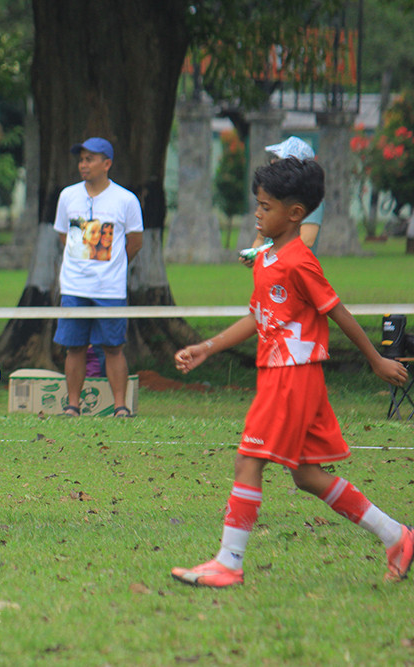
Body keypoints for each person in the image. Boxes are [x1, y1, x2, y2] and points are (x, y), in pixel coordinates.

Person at [171, 158, 413, 588]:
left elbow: (336, 311)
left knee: (248, 460)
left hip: (293, 375)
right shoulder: (266, 256)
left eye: (265, 207)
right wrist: (206, 347)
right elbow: (257, 316)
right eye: (258, 206)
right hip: (282, 374)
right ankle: (397, 536)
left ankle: (229, 562)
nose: (257, 214)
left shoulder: (299, 261)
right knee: (306, 475)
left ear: (295, 214)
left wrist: (376, 359)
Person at [52, 137, 143, 418]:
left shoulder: (126, 199)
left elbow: (135, 242)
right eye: (81, 159)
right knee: (74, 347)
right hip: (74, 286)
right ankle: (72, 406)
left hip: (110, 289)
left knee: (113, 347)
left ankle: (120, 406)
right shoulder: (68, 196)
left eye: (90, 159)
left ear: (107, 164)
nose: (83, 165)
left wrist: (112, 266)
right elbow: (63, 236)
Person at [241, 135, 323, 267]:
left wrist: (269, 254)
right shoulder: (271, 197)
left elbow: (307, 239)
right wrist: (254, 256)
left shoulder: (307, 198)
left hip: (294, 271)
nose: (273, 162)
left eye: (279, 159)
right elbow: (260, 238)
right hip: (272, 272)